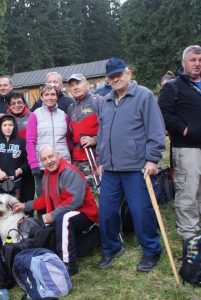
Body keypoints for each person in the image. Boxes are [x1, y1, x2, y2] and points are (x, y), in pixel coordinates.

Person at [96, 58, 165, 272]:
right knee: (106, 211)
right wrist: (100, 159)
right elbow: (102, 133)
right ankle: (111, 248)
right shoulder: (106, 100)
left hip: (137, 168)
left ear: (129, 73)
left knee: (141, 211)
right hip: (110, 169)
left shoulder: (144, 96)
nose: (115, 79)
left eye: (119, 75)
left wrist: (152, 159)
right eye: (111, 77)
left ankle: (152, 251)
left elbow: (156, 130)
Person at [13, 146, 99, 276]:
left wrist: (52, 215)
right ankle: (96, 235)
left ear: (58, 155)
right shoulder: (46, 175)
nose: (49, 161)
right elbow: (45, 199)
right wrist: (25, 206)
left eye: (51, 156)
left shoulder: (70, 172)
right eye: (44, 159)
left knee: (63, 219)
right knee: (78, 248)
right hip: (67, 213)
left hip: (85, 212)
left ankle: (68, 265)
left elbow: (75, 201)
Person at [159, 45, 201, 240]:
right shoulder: (173, 87)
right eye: (193, 60)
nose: (197, 64)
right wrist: (185, 130)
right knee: (188, 193)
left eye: (199, 60)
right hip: (187, 149)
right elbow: (164, 114)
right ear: (184, 63)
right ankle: (189, 238)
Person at [26, 83, 73, 222]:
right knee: (44, 198)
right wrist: (34, 164)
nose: (50, 97)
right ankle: (44, 229)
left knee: (64, 196)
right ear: (41, 97)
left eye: (53, 94)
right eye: (46, 94)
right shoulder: (35, 115)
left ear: (57, 96)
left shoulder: (63, 116)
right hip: (43, 165)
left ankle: (65, 226)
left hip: (62, 163)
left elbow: (68, 139)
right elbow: (30, 142)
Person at [0, 114, 29, 245]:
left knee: (14, 210)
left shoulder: (21, 142)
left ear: (15, 126)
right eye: (5, 125)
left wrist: (20, 170)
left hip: (14, 183)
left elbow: (27, 161)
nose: (8, 128)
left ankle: (15, 239)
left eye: (10, 125)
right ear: (0, 127)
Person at [67, 74, 103, 191]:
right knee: (83, 194)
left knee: (101, 190)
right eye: (72, 85)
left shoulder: (97, 102)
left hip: (96, 157)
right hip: (78, 159)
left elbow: (108, 128)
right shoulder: (71, 108)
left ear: (86, 84)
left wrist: (95, 140)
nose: (75, 87)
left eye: (78, 83)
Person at [6, 91, 35, 210]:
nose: (16, 105)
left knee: (28, 196)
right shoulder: (4, 119)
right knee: (12, 198)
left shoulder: (32, 116)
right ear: (9, 105)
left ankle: (28, 225)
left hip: (28, 163)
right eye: (13, 103)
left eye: (19, 102)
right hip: (11, 164)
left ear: (24, 104)